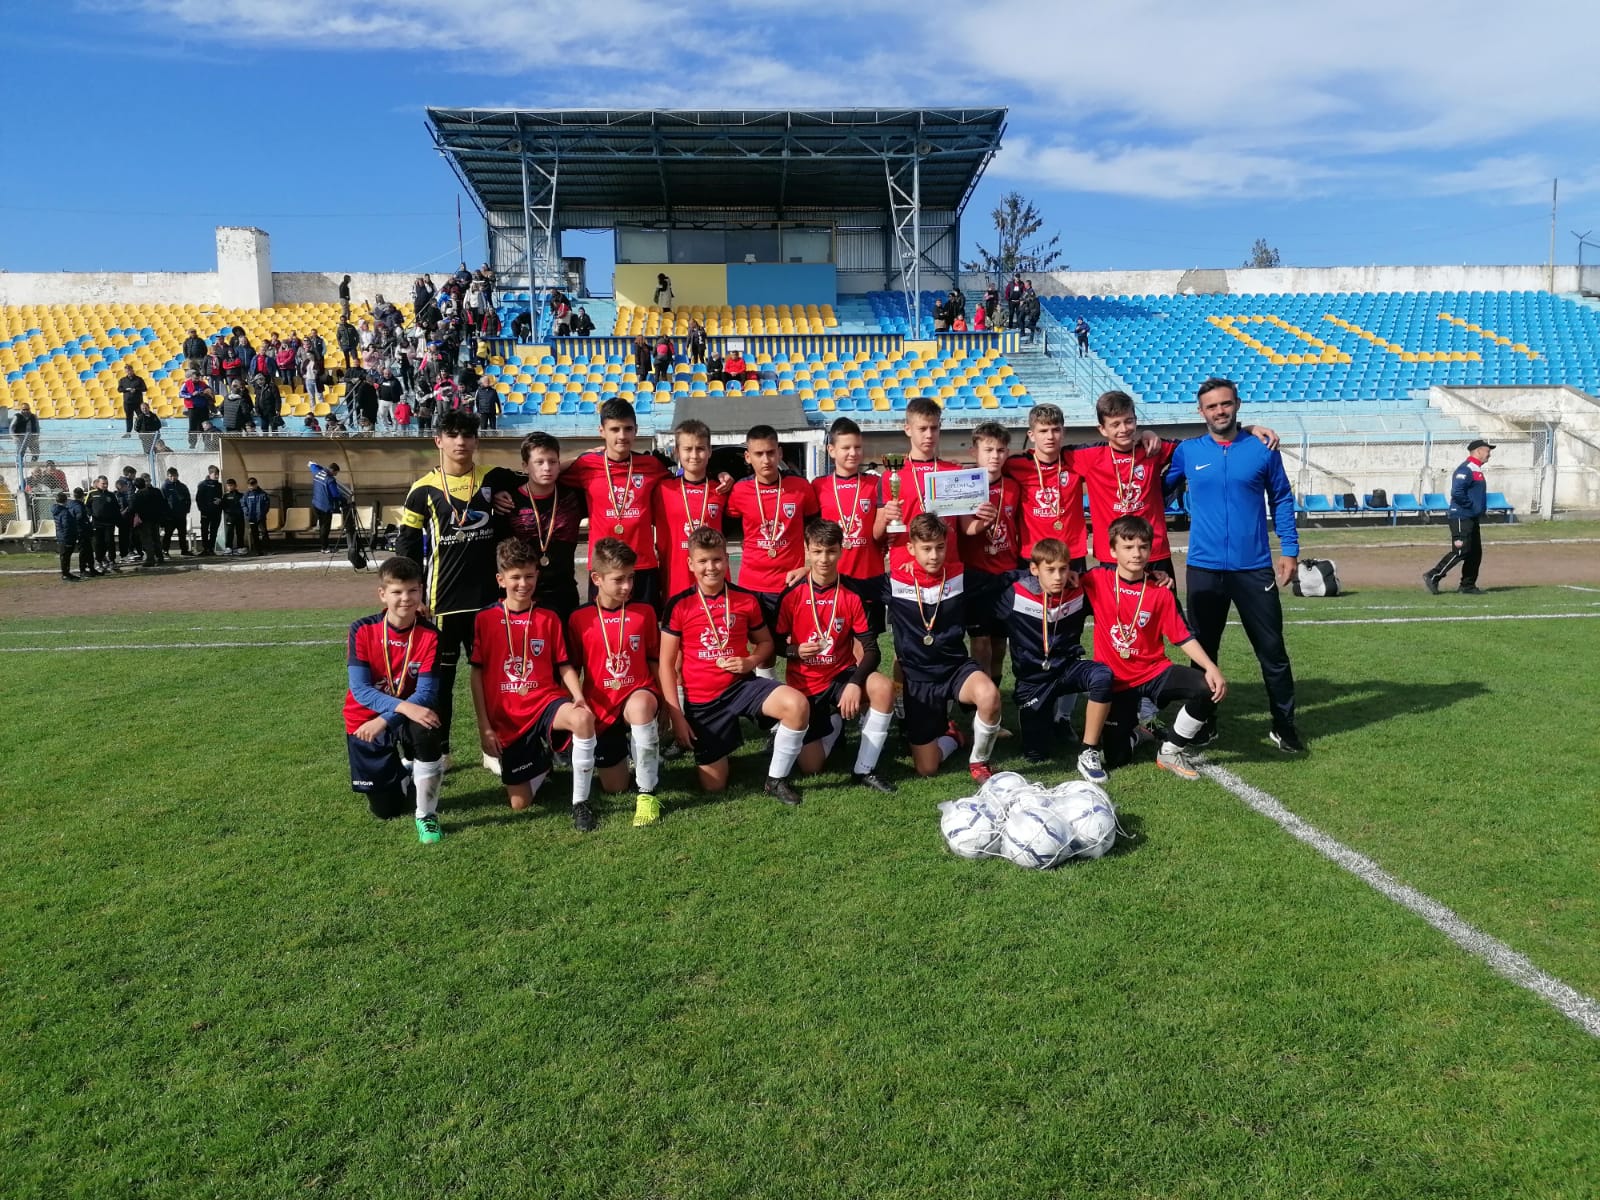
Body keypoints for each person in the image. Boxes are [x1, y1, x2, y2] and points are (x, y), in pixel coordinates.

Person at [1164, 377, 1302, 753]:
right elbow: (1156, 492)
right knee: (1203, 653)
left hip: (1253, 568)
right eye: (1212, 406)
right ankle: (1203, 724)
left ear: (1237, 404)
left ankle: (1284, 725)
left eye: (1225, 404)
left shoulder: (1262, 448)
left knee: (1272, 651)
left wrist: (1289, 549)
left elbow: (1282, 498)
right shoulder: (1188, 452)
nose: (1219, 411)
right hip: (1204, 568)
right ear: (1201, 412)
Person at [395, 410, 518, 760]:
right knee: (440, 684)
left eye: (467, 435)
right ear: (439, 441)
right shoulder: (422, 489)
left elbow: (542, 472)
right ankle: (441, 751)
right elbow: (406, 548)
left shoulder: (493, 479)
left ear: (476, 441)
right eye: (452, 435)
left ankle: (495, 751)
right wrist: (413, 596)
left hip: (488, 603)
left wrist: (505, 491)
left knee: (496, 679)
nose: (460, 442)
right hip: (442, 605)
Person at [658, 527, 810, 804]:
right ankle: (721, 743)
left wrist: (750, 661)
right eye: (703, 561)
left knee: (796, 704)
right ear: (690, 563)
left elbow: (766, 643)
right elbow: (666, 666)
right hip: (703, 700)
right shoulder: (679, 605)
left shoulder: (745, 599)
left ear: (727, 560)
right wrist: (677, 717)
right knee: (714, 786)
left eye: (717, 559)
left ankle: (776, 780)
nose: (711, 567)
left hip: (741, 687)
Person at [470, 539, 600, 831]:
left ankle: (580, 802)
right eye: (515, 577)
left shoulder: (548, 617)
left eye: (529, 576)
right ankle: (541, 762)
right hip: (508, 717)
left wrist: (578, 696)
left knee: (582, 719)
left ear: (537, 576)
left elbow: (563, 664)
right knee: (520, 803)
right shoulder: (485, 619)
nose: (523, 584)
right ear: (500, 580)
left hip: (544, 702)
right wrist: (484, 726)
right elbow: (476, 675)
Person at [1087, 516, 1228, 779]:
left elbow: (1182, 636)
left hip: (1154, 672)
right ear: (1112, 551)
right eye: (1128, 547)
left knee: (1209, 688)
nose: (1136, 554)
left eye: (1143, 547)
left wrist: (1211, 667)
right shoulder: (1095, 580)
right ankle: (1136, 733)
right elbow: (1061, 583)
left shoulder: (1160, 590)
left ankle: (1171, 749)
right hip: (1117, 682)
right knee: (1117, 759)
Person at [775, 520, 896, 792]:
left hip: (841, 677)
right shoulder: (792, 594)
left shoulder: (852, 593)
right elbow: (776, 644)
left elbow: (872, 650)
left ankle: (864, 769)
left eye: (831, 551)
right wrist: (795, 651)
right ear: (807, 550)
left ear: (841, 550)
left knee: (883, 687)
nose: (824, 559)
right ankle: (835, 722)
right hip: (806, 685)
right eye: (817, 551)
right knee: (811, 766)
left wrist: (854, 682)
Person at [886, 514, 1003, 782]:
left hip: (954, 669)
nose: (934, 555)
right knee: (927, 769)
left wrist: (1053, 573)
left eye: (940, 547)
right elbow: (848, 583)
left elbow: (1005, 579)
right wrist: (806, 573)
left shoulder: (961, 576)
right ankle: (953, 737)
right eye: (926, 548)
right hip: (918, 679)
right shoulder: (894, 581)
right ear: (911, 548)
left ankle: (979, 761)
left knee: (989, 695)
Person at [344, 556, 446, 844]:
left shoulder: (431, 635)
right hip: (366, 719)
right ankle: (404, 773)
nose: (405, 598)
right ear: (382, 594)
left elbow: (426, 693)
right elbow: (360, 690)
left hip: (404, 715)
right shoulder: (361, 629)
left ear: (421, 591)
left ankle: (426, 815)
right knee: (385, 810)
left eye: (412, 590)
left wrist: (388, 718)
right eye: (397, 592)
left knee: (427, 726)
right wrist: (398, 709)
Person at [997, 537, 1113, 781]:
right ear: (1034, 569)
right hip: (1033, 681)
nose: (1058, 577)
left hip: (1067, 670)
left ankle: (1088, 749)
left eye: (1063, 569)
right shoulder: (1013, 594)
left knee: (1102, 676)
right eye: (1050, 570)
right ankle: (1045, 722)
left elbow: (1115, 577)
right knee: (1035, 755)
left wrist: (1154, 576)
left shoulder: (1079, 590)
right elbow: (981, 584)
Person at [567, 539, 664, 826]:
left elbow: (655, 660)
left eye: (631, 578)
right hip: (601, 706)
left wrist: (667, 704)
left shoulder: (644, 612)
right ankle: (635, 754)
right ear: (596, 578)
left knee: (641, 707)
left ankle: (647, 794)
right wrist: (574, 701)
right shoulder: (579, 619)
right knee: (615, 787)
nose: (627, 586)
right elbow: (571, 667)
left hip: (638, 693)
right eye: (619, 579)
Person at [559, 399, 670, 610]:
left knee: (646, 626)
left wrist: (721, 474)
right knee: (604, 628)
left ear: (636, 430)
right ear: (602, 431)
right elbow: (545, 473)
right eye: (614, 429)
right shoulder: (586, 465)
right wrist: (578, 456)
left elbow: (683, 482)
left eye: (628, 429)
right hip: (604, 568)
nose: (622, 436)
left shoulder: (651, 465)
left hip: (642, 565)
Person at [725, 424, 819, 650]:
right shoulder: (739, 490)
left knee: (796, 644)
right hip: (751, 585)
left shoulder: (800, 487)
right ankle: (765, 675)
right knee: (761, 646)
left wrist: (809, 567)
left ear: (780, 453)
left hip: (790, 583)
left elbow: (816, 532)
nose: (765, 460)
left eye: (770, 452)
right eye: (758, 454)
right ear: (748, 457)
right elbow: (725, 525)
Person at [810, 417, 887, 652]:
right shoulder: (818, 486)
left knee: (867, 645)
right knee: (835, 641)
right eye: (846, 448)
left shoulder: (876, 483)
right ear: (831, 450)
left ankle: (866, 677)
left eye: (857, 447)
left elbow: (881, 533)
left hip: (870, 577)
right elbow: (810, 534)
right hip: (834, 577)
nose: (853, 453)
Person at [960, 422, 1023, 688]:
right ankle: (980, 700)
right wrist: (980, 523)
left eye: (1000, 450)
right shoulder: (964, 484)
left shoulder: (1014, 487)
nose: (994, 456)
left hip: (1007, 574)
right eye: (988, 450)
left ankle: (993, 695)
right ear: (974, 452)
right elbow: (963, 528)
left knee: (999, 643)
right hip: (975, 574)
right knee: (980, 642)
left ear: (1007, 452)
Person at [498, 432, 586, 622]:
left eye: (552, 462)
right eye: (539, 462)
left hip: (565, 594)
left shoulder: (574, 497)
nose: (547, 468)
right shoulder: (509, 502)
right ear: (525, 466)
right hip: (524, 595)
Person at [653, 419, 725, 604]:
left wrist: (722, 473)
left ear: (709, 451)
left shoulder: (721, 490)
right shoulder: (662, 489)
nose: (694, 455)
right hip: (675, 583)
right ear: (677, 452)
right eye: (687, 449)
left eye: (700, 448)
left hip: (713, 581)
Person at [1424, 438, 1496, 596]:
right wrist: (1472, 506)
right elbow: (1457, 492)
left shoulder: (1476, 469)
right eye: (1487, 451)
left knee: (1475, 553)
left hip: (1471, 517)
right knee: (1460, 551)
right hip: (1461, 516)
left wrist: (1478, 510)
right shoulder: (1466, 469)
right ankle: (1433, 575)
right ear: (1478, 451)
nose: (1489, 454)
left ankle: (1467, 586)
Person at [130, 474, 171, 565]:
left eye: (148, 480)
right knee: (155, 538)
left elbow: (134, 507)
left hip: (145, 520)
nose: (147, 482)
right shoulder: (156, 492)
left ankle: (150, 558)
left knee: (147, 540)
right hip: (155, 519)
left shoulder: (139, 494)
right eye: (145, 481)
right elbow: (163, 504)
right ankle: (159, 557)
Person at [309, 461, 346, 554]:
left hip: (315, 505)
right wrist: (343, 499)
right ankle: (325, 548)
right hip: (325, 507)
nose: (336, 475)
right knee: (325, 528)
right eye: (336, 473)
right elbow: (335, 494)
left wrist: (314, 464)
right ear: (333, 470)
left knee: (322, 525)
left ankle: (324, 546)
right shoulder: (330, 480)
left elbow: (312, 465)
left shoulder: (318, 472)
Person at [86, 476, 119, 572]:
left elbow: (116, 508)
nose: (105, 485)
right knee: (98, 543)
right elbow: (87, 506)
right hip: (97, 523)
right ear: (97, 484)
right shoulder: (92, 494)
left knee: (109, 541)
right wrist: (90, 515)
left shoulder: (111, 495)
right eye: (103, 483)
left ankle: (112, 561)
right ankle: (99, 561)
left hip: (109, 523)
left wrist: (116, 520)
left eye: (106, 483)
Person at [161, 467, 193, 557]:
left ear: (177, 475)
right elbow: (162, 501)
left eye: (174, 476)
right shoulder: (165, 486)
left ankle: (184, 550)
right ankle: (165, 551)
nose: (173, 478)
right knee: (168, 534)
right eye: (170, 476)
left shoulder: (182, 486)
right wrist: (165, 514)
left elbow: (188, 499)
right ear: (167, 476)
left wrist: (186, 510)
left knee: (182, 534)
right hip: (170, 516)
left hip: (181, 515)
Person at [50, 491, 81, 581]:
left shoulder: (58, 510)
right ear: (66, 500)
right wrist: (70, 537)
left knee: (65, 556)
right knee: (65, 556)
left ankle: (66, 573)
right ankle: (65, 574)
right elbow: (67, 526)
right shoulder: (64, 512)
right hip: (66, 537)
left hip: (61, 535)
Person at [68, 488, 98, 577]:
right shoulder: (79, 506)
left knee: (87, 550)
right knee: (85, 550)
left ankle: (91, 568)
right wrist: (85, 524)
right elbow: (80, 517)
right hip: (82, 531)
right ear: (82, 496)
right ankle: (83, 569)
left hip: (80, 530)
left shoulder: (71, 505)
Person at [242, 477, 271, 555]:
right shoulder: (246, 494)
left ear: (256, 484)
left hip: (261, 517)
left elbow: (267, 504)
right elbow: (243, 504)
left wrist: (263, 513)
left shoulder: (263, 493)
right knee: (255, 534)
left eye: (253, 485)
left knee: (264, 532)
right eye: (250, 485)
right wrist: (247, 512)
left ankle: (267, 550)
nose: (251, 487)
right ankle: (258, 550)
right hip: (251, 517)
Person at [117, 364, 148, 436]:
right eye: (127, 371)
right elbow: (119, 389)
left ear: (132, 370)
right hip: (127, 402)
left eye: (130, 371)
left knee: (141, 417)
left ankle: (143, 431)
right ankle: (128, 433)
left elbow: (144, 388)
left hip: (138, 402)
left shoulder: (139, 379)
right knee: (129, 417)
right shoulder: (122, 380)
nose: (128, 372)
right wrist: (126, 389)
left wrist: (136, 389)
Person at [219, 478, 246, 556]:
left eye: (231, 485)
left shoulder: (241, 495)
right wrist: (228, 512)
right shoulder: (225, 496)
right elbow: (223, 506)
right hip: (229, 517)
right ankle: (228, 548)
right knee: (229, 533)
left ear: (235, 486)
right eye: (228, 486)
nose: (230, 487)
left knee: (240, 532)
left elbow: (244, 505)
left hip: (239, 517)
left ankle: (240, 547)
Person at [377, 367, 403, 432]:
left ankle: (395, 430)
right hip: (382, 401)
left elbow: (400, 391)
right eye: (385, 374)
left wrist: (399, 400)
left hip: (393, 402)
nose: (387, 375)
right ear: (383, 374)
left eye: (388, 374)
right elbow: (378, 387)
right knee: (382, 414)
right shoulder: (381, 380)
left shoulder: (395, 381)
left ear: (391, 373)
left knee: (393, 417)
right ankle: (386, 429)